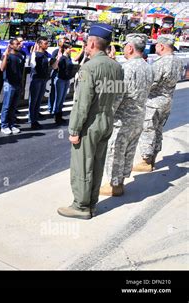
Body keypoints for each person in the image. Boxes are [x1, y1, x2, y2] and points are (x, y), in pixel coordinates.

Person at [57, 23, 124, 219]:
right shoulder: (116, 67)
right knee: (97, 163)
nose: (85, 45)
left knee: (82, 164)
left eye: (87, 42)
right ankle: (92, 203)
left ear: (93, 43)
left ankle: (81, 206)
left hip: (90, 122)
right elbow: (117, 94)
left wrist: (75, 129)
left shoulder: (90, 67)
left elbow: (82, 103)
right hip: (107, 119)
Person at [100, 34, 153, 196]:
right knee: (129, 150)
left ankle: (114, 185)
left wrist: (105, 116)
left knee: (116, 151)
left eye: (125, 46)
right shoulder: (148, 67)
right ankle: (121, 181)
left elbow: (116, 96)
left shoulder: (126, 68)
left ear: (130, 48)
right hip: (138, 116)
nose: (123, 49)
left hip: (123, 119)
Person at [133, 35, 185, 172]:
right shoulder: (178, 62)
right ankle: (153, 156)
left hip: (154, 102)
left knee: (148, 129)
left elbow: (150, 83)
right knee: (158, 129)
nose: (155, 47)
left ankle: (146, 160)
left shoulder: (160, 63)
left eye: (156, 45)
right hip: (167, 100)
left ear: (161, 46)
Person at [0, 38, 25, 135]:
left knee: (13, 106)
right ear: (11, 45)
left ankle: (12, 124)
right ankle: (4, 125)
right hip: (9, 84)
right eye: (17, 43)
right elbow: (2, 68)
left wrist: (21, 84)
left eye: (19, 43)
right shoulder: (7, 56)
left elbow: (21, 71)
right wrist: (6, 55)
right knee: (6, 105)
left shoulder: (20, 56)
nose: (19, 45)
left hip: (18, 84)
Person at [28, 36, 53, 130]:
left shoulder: (46, 54)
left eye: (47, 43)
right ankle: (32, 120)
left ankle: (35, 119)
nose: (47, 45)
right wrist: (33, 54)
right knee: (33, 101)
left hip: (43, 79)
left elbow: (53, 65)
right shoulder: (35, 54)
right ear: (39, 44)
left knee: (38, 101)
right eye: (45, 43)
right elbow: (32, 65)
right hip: (36, 79)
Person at [52, 42, 73, 124]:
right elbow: (55, 67)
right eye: (69, 48)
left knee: (62, 99)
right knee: (58, 98)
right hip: (60, 79)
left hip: (66, 79)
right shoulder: (61, 57)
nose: (71, 49)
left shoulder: (69, 57)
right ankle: (56, 116)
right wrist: (58, 58)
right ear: (65, 49)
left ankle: (59, 115)